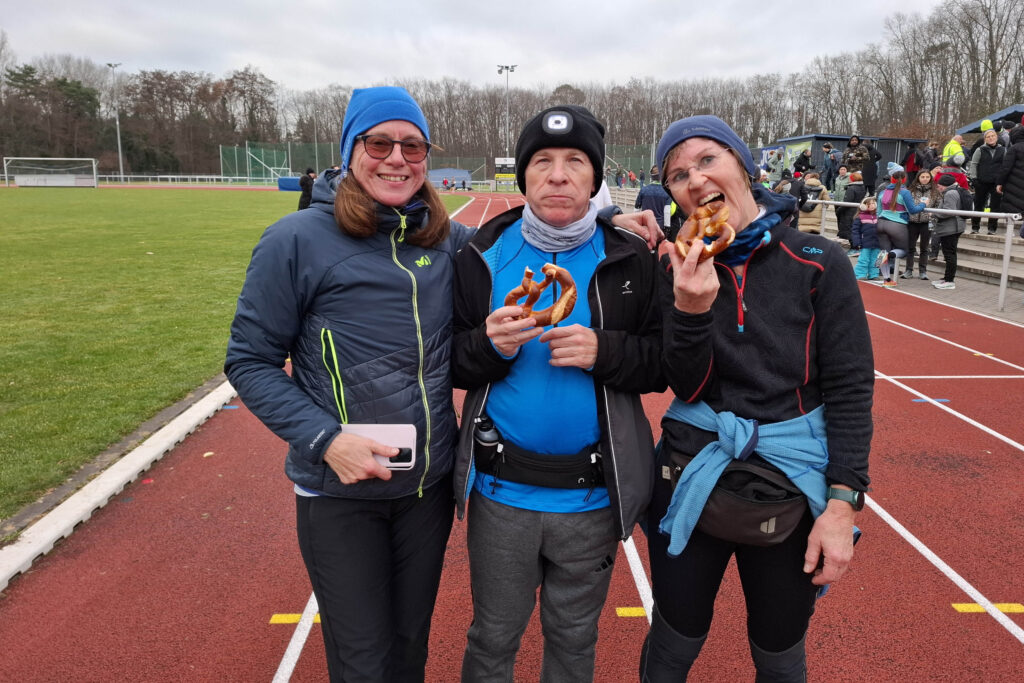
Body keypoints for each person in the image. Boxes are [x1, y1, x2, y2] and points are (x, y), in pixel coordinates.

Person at [225, 86, 480, 682]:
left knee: (409, 653)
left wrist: (607, 219)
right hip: (339, 492)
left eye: (412, 146)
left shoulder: (445, 239)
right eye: (379, 143)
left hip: (424, 491)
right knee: (363, 664)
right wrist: (326, 440)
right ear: (349, 151)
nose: (397, 158)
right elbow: (249, 361)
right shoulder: (295, 240)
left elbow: (525, 238)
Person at [640, 115, 872, 681]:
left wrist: (841, 506)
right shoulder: (676, 266)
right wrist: (691, 310)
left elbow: (849, 387)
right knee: (674, 638)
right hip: (691, 470)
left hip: (788, 482)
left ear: (743, 166)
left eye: (707, 160)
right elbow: (688, 386)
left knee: (779, 650)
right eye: (677, 175)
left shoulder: (819, 260)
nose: (695, 179)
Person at [451, 104, 664, 682]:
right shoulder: (481, 254)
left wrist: (606, 352)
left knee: (573, 641)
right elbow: (451, 363)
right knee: (492, 638)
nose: (559, 175)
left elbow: (662, 364)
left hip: (591, 497)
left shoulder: (631, 257)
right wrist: (489, 346)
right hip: (501, 494)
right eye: (542, 162)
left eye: (575, 161)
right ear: (523, 176)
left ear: (595, 178)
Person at [875, 164, 926, 287]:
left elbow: (878, 211)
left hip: (881, 222)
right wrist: (923, 204)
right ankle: (890, 255)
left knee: (883, 251)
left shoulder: (883, 192)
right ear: (904, 179)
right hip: (897, 224)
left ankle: (886, 279)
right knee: (904, 251)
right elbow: (913, 210)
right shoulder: (905, 192)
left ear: (891, 179)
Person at [931, 174, 968, 290]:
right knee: (949, 253)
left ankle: (949, 280)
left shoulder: (950, 193)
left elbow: (948, 212)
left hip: (951, 228)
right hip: (954, 226)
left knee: (949, 254)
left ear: (944, 185)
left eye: (939, 186)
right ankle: (947, 278)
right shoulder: (955, 191)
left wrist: (934, 213)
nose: (938, 188)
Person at [902, 169, 938, 280]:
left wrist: (933, 213)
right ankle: (908, 270)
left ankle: (923, 271)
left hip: (926, 222)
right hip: (912, 222)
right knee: (910, 247)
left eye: (927, 177)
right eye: (922, 177)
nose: (925, 179)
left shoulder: (935, 191)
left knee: (924, 248)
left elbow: (939, 206)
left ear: (930, 178)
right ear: (918, 178)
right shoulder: (910, 190)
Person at [968, 128, 1005, 234]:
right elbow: (974, 164)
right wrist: (974, 178)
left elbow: (1005, 166)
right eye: (988, 137)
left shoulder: (1003, 150)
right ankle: (975, 227)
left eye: (993, 136)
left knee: (995, 206)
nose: (991, 138)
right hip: (981, 182)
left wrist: (1003, 180)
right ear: (985, 139)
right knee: (979, 204)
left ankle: (992, 228)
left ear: (996, 137)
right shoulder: (980, 150)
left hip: (996, 183)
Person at [996, 118, 1024, 234]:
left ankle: (1010, 231)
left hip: (1013, 184)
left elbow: (1006, 168)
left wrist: (999, 182)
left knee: (1011, 208)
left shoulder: (1014, 148)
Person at [852, 197, 881, 280]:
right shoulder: (860, 217)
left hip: (877, 243)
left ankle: (874, 274)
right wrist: (857, 242)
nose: (872, 205)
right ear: (863, 206)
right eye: (869, 204)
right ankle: (860, 274)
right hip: (865, 243)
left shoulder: (878, 216)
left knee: (876, 260)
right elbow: (855, 231)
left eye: (873, 203)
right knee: (864, 260)